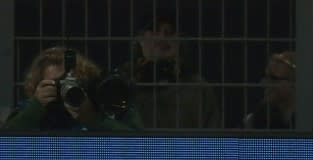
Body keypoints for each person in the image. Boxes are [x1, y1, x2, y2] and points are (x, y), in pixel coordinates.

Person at [3, 46, 140, 131]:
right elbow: (6, 142)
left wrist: (93, 119)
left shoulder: (105, 106)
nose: (66, 88)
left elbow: (138, 143)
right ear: (39, 85)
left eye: (72, 82)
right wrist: (35, 107)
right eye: (57, 83)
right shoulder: (32, 109)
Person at [122, 15, 221, 129]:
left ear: (180, 42)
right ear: (140, 40)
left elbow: (213, 136)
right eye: (154, 30)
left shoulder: (198, 88)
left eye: (170, 32)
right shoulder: (124, 83)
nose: (162, 37)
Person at [243, 51, 296, 129]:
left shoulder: (308, 120)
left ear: (294, 83)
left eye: (273, 79)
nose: (263, 84)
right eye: (266, 77)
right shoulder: (253, 120)